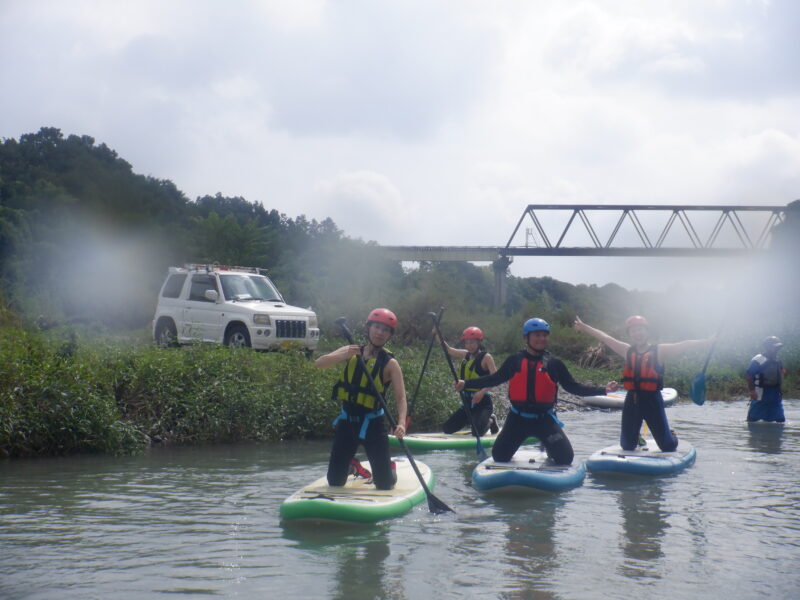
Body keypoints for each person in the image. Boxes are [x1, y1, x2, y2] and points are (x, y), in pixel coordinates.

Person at [455, 318, 617, 465]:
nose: (541, 338)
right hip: (517, 419)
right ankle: (540, 444)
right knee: (500, 457)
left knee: (565, 458)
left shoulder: (554, 364)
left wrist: (603, 390)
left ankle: (548, 446)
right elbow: (494, 379)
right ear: (526, 338)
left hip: (544, 420)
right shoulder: (515, 361)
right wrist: (466, 384)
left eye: (544, 335)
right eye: (536, 335)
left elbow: (573, 387)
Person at [573, 314, 715, 452]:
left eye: (640, 329)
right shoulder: (627, 350)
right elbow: (605, 337)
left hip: (652, 400)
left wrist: (708, 342)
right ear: (630, 334)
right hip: (632, 400)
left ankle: (671, 434)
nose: (637, 333)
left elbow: (684, 345)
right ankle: (637, 437)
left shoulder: (659, 350)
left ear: (647, 331)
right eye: (633, 331)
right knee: (627, 446)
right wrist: (584, 327)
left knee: (668, 447)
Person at [314, 308, 407, 490]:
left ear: (389, 335)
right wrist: (343, 354)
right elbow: (319, 364)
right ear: (369, 327)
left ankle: (389, 468)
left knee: (385, 484)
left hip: (373, 424)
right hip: (347, 423)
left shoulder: (390, 363)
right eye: (377, 327)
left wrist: (401, 423)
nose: (380, 332)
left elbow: (401, 397)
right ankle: (353, 465)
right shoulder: (351, 351)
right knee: (334, 481)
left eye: (385, 330)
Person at [437, 326, 499, 436]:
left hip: (483, 403)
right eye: (467, 343)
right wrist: (437, 333)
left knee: (477, 433)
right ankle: (473, 421)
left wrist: (481, 392)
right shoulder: (465, 354)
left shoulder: (486, 357)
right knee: (447, 429)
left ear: (479, 343)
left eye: (472, 342)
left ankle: (491, 420)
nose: (469, 345)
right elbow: (448, 350)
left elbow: (496, 379)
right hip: (468, 402)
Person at [745, 336, 786, 423]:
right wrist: (752, 391)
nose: (777, 349)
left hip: (775, 393)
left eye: (778, 347)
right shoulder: (758, 359)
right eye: (775, 347)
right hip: (761, 393)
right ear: (767, 347)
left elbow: (781, 373)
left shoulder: (778, 359)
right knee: (753, 421)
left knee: (780, 421)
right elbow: (749, 376)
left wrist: (780, 390)